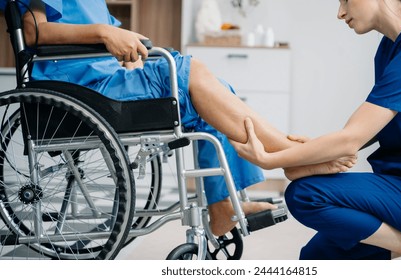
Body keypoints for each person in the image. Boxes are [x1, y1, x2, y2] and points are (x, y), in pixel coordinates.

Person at [0, 0, 357, 237]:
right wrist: (106, 33)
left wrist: (129, 50)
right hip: (83, 89)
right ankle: (292, 156)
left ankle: (225, 205)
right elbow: (33, 32)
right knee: (192, 75)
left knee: (215, 92)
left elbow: (122, 40)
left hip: (106, 79)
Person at [231, 0, 401, 260]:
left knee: (305, 195)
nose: (340, 13)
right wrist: (323, 148)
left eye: (345, 0)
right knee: (316, 258)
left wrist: (268, 160)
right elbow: (372, 126)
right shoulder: (393, 45)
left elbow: (352, 138)